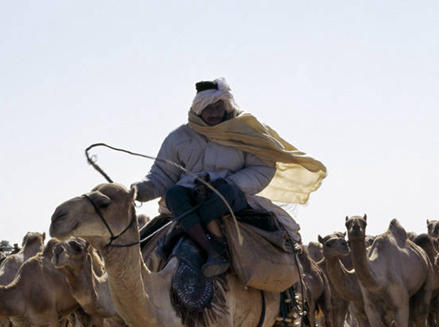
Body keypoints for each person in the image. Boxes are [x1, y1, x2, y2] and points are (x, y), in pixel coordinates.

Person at [132, 78, 326, 277]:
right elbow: (162, 175)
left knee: (224, 194)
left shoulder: (245, 132)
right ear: (198, 109)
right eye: (208, 108)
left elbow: (262, 167)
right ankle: (210, 250)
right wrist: (136, 192)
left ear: (226, 106)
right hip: (189, 198)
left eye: (218, 107)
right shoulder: (179, 138)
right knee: (174, 194)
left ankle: (187, 229)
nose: (214, 113)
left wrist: (228, 183)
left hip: (231, 197)